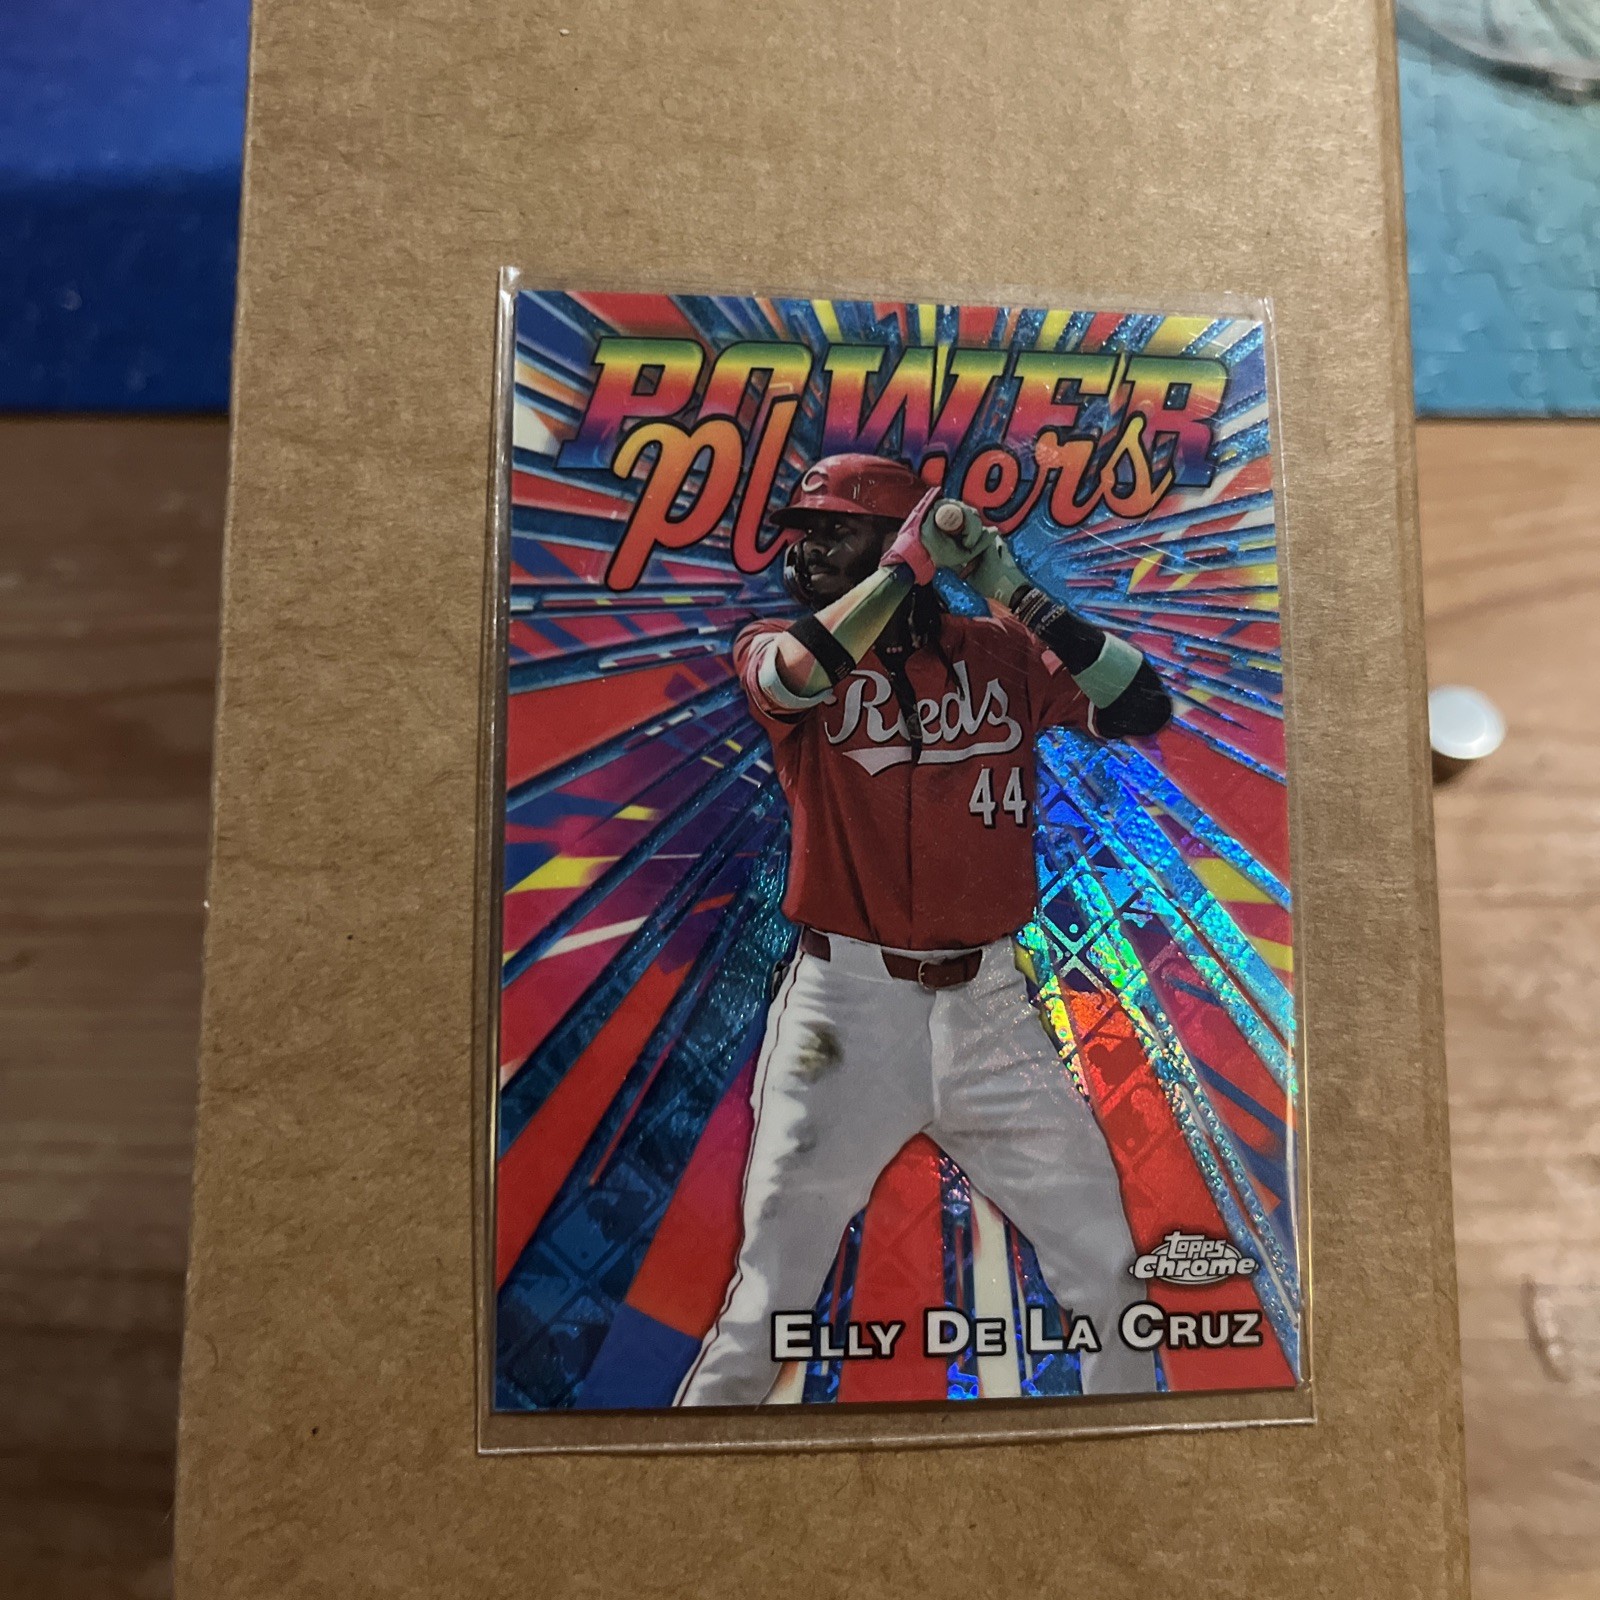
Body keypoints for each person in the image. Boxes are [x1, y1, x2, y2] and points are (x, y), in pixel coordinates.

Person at [675, 452, 1172, 1404]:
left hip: (992, 1009)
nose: (802, 552)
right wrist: (900, 573)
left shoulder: (999, 652)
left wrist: (1012, 591)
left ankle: (1141, 1467)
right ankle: (682, 1476)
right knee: (768, 1302)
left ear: (892, 533)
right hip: (842, 1011)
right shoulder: (774, 644)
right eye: (800, 533)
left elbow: (1142, 702)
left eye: (832, 531)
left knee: (1110, 1273)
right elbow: (793, 679)